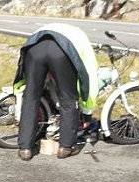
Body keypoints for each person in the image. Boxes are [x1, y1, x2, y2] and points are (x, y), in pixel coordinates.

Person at [14, 23, 98, 160]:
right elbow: (90, 76)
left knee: (30, 98)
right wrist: (87, 113)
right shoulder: (81, 38)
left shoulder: (51, 28)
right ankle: (65, 147)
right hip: (61, 52)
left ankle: (25, 149)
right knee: (68, 99)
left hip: (34, 48)